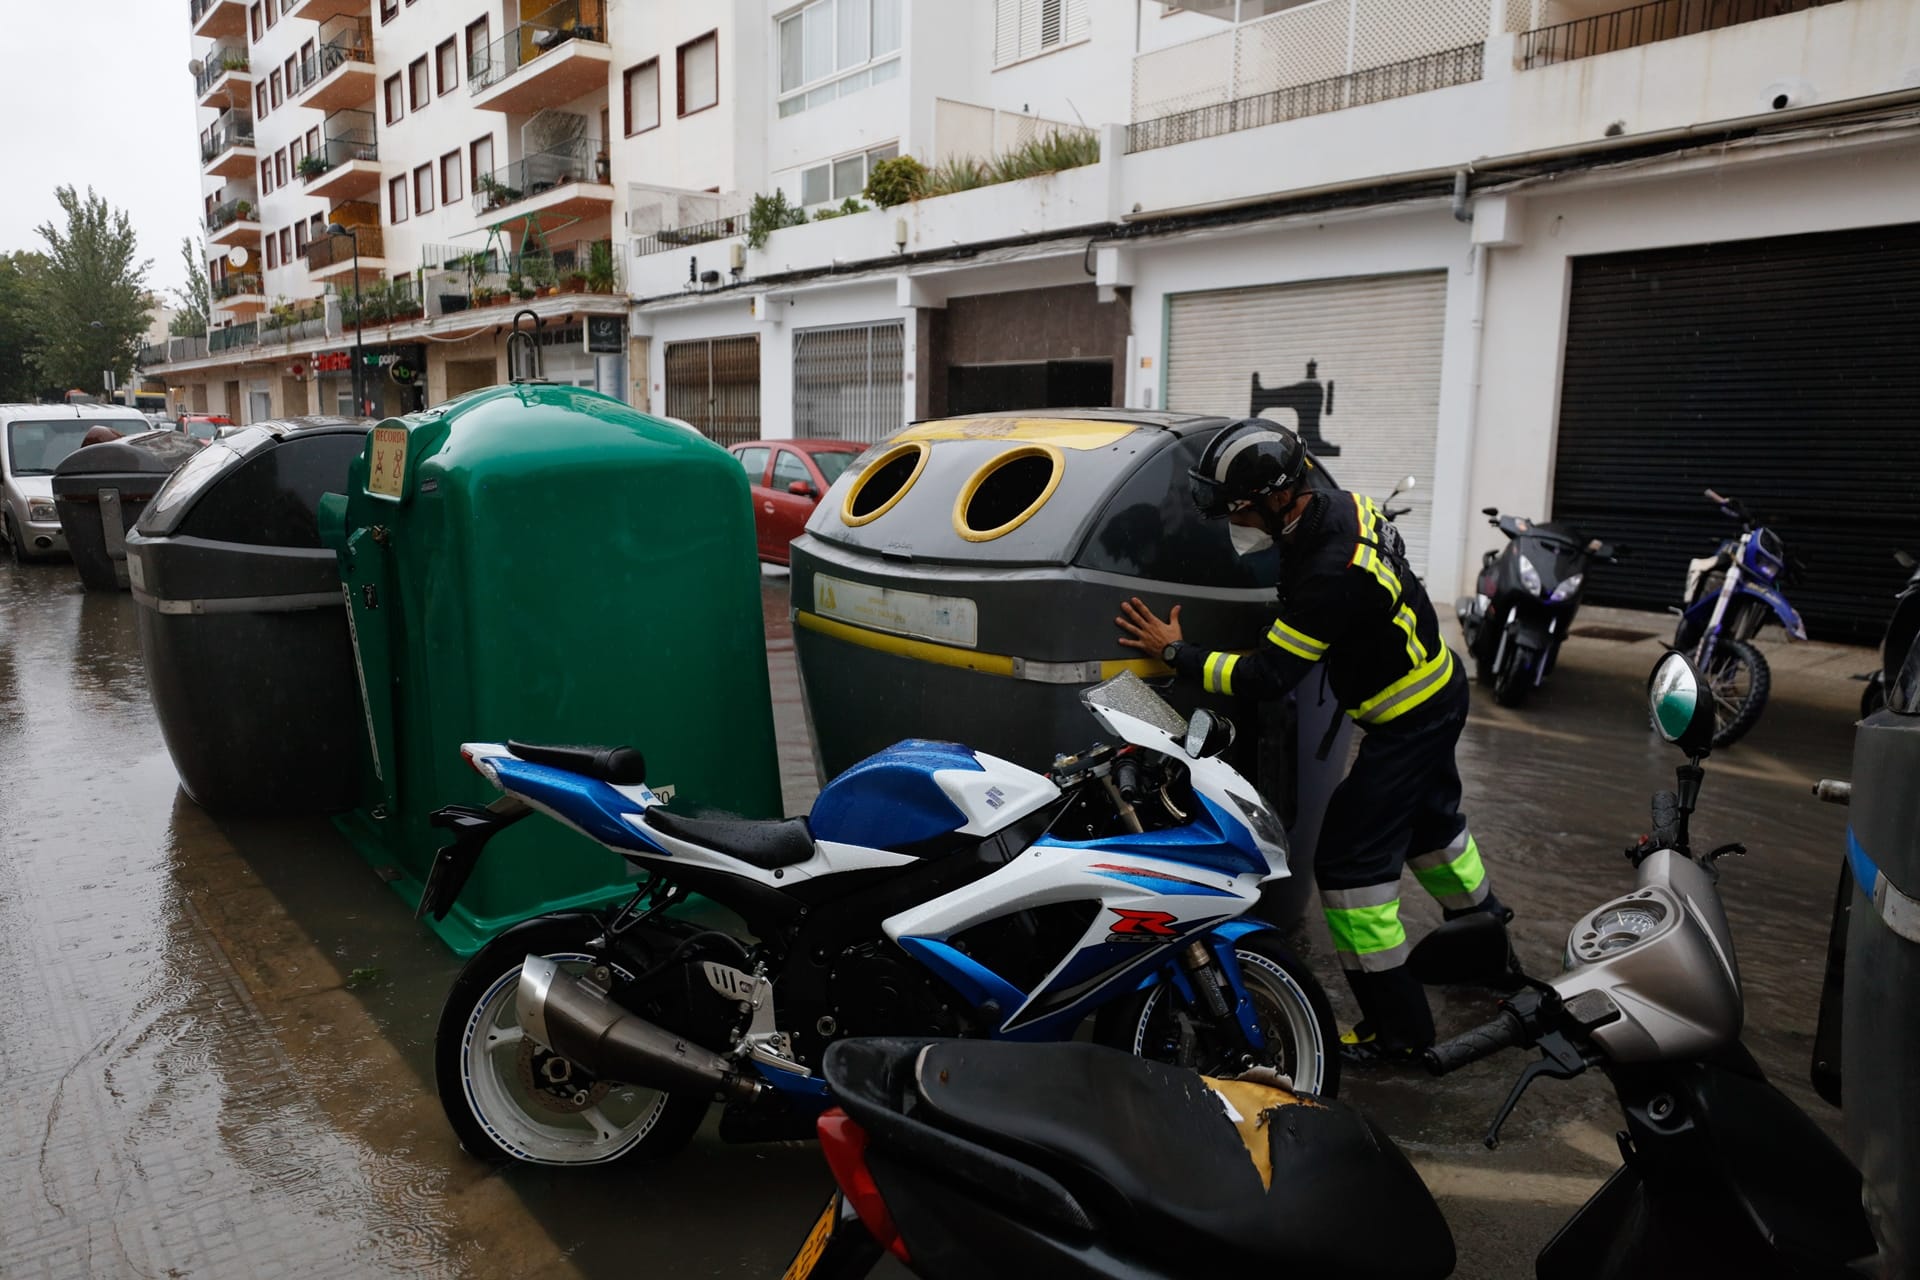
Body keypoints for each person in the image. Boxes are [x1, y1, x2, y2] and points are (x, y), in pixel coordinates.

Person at [1115, 419, 1512, 1065]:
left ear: (1278, 498)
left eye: (1239, 508)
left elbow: (1268, 675)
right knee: (1435, 831)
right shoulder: (1341, 506)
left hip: (1409, 717)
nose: (1232, 521)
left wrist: (1178, 653)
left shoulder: (1329, 572)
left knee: (1351, 867)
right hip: (1439, 687)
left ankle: (1400, 1033)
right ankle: (1490, 950)